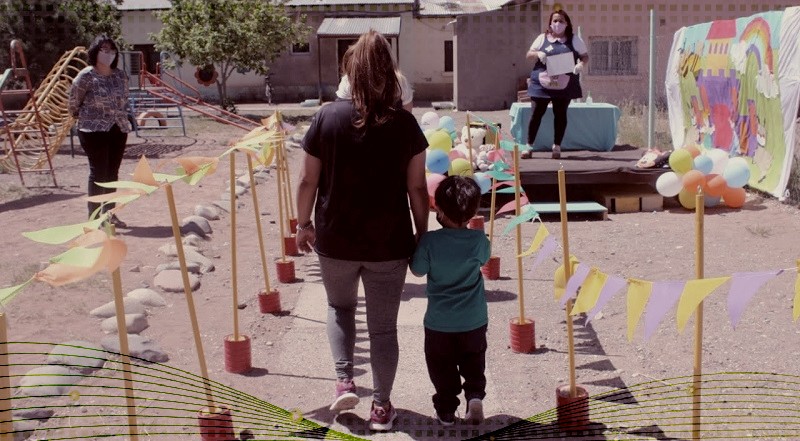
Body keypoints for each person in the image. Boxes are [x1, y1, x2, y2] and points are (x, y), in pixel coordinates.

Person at [295, 30, 429, 432]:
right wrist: (423, 235)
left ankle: (343, 381)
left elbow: (306, 182)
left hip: (335, 239)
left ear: (349, 71)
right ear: (390, 73)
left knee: (339, 309)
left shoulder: (326, 117)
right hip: (389, 243)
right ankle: (383, 408)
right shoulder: (405, 124)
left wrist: (302, 224)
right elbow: (418, 187)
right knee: (384, 328)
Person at [409, 175, 491, 426]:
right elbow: (484, 261)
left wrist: (417, 243)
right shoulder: (479, 241)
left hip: (439, 323)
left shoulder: (430, 242)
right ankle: (474, 396)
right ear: (473, 211)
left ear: (439, 209)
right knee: (474, 359)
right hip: (474, 319)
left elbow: (417, 270)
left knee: (441, 366)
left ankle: (446, 409)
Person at [68, 34, 131, 228]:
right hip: (92, 130)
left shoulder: (120, 75)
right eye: (104, 50)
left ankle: (110, 214)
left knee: (113, 172)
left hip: (117, 128)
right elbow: (73, 103)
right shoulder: (86, 76)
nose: (108, 54)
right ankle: (94, 219)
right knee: (98, 173)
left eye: (112, 50)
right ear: (95, 51)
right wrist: (87, 117)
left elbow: (125, 98)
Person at [521, 9, 588, 160]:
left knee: (560, 114)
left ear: (567, 23)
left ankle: (557, 147)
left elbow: (585, 56)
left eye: (561, 21)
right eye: (555, 21)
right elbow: (529, 54)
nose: (557, 24)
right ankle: (529, 146)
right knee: (536, 113)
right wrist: (538, 54)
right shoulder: (542, 38)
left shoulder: (575, 40)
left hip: (564, 83)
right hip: (542, 82)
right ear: (550, 23)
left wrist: (581, 65)